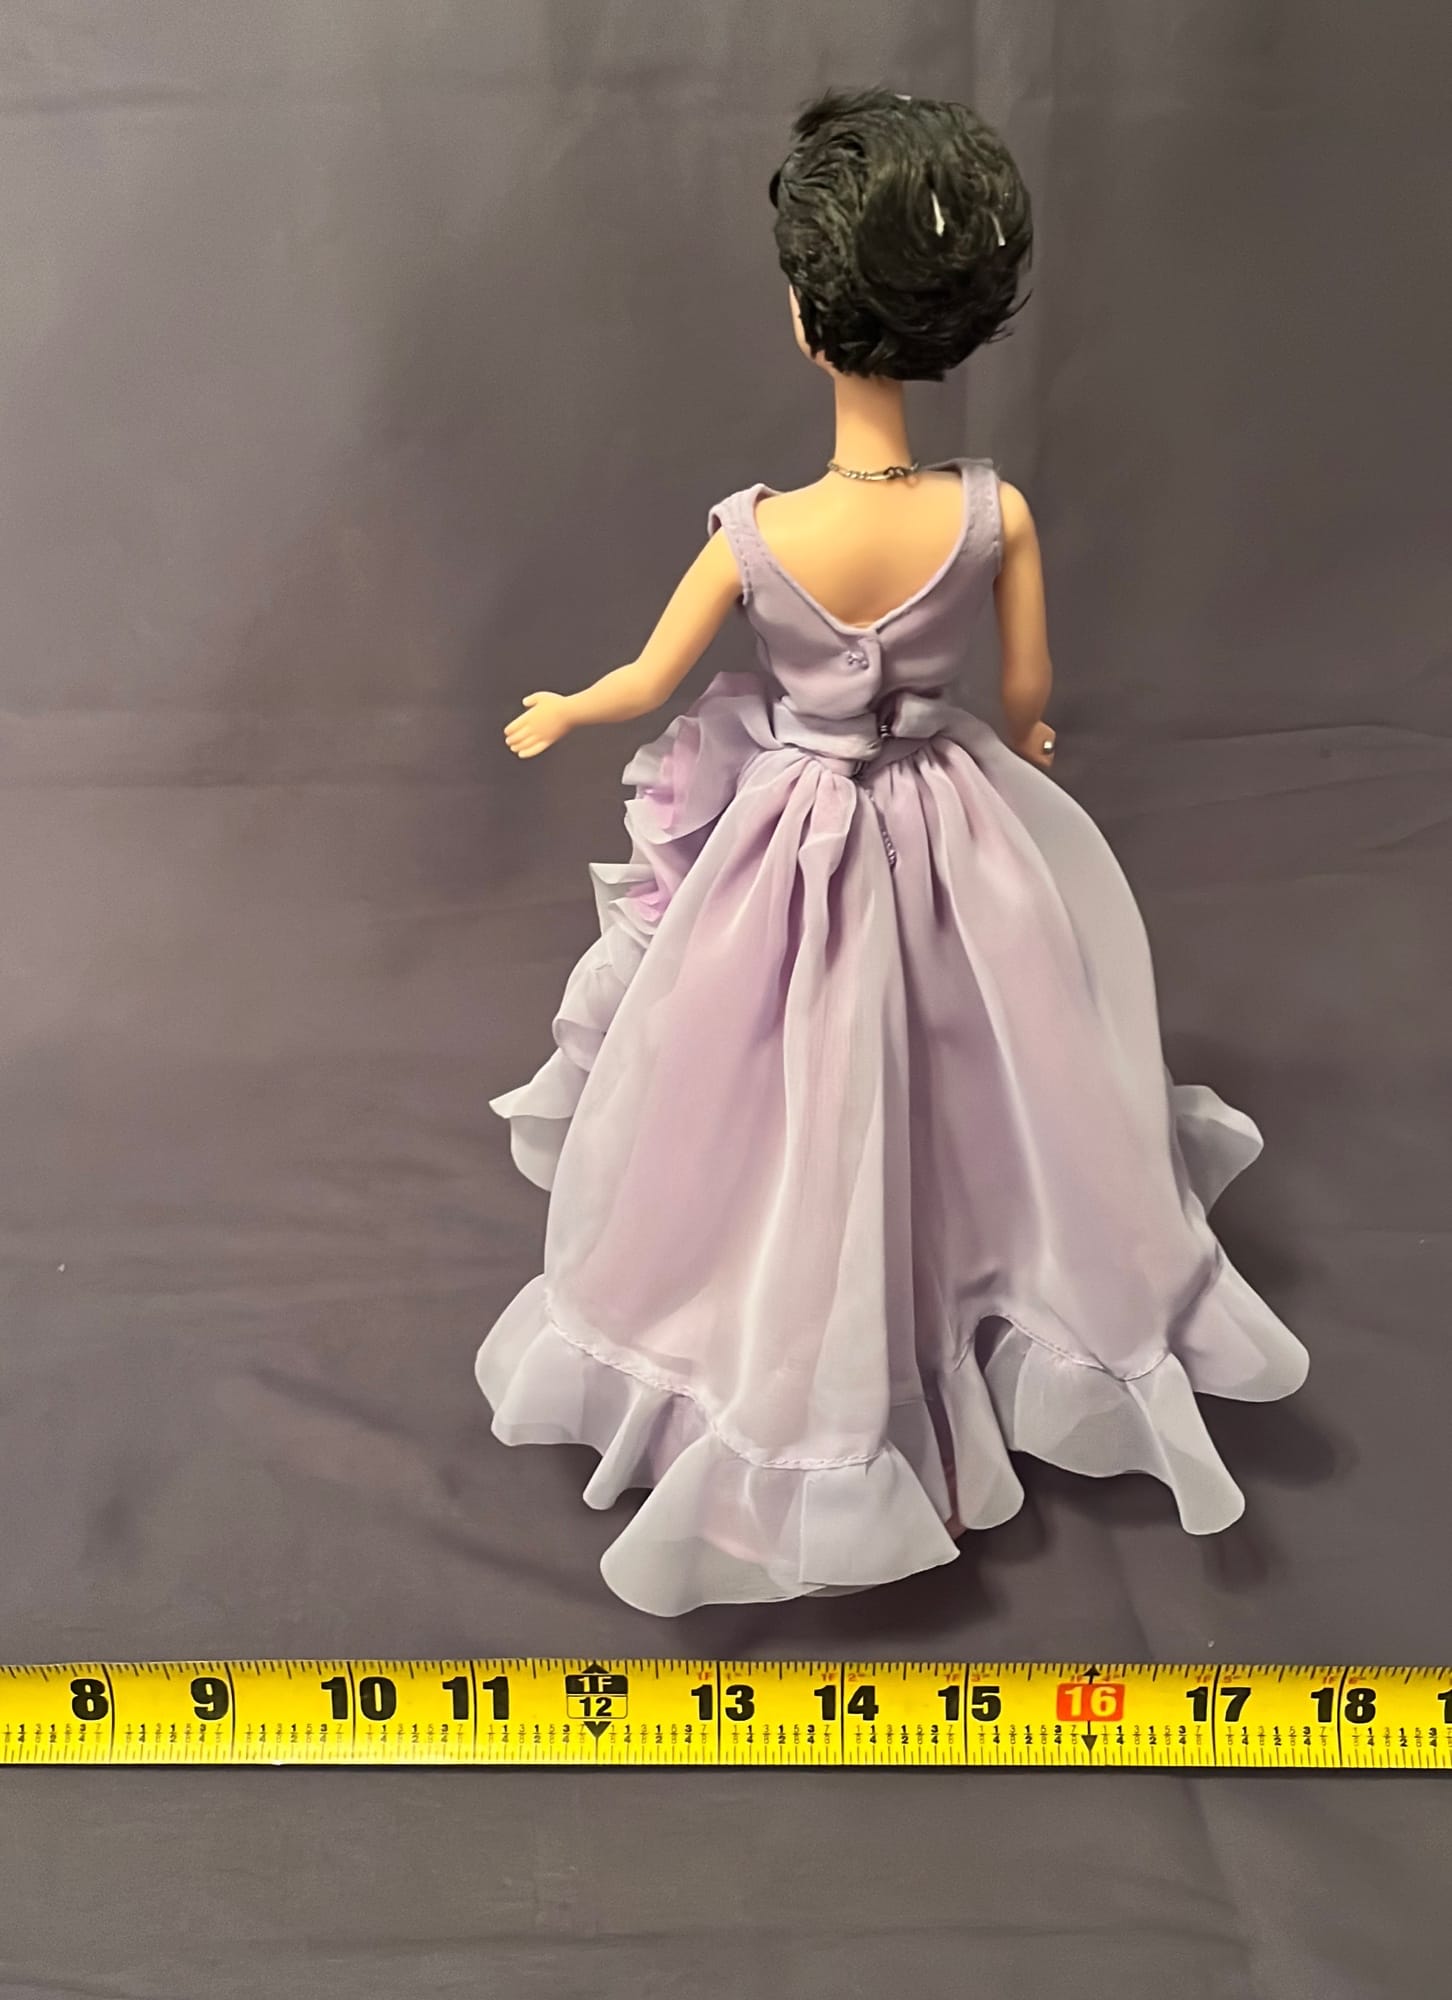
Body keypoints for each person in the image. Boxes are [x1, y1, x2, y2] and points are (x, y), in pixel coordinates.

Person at [476, 86, 1308, 1616]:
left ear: (807, 318)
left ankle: (809, 1341)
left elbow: (649, 680)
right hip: (946, 813)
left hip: (791, 838)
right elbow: (1032, 690)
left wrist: (568, 709)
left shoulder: (755, 533)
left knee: (776, 1074)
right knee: (986, 1052)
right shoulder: (992, 514)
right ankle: (969, 1288)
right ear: (954, 321)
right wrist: (1030, 742)